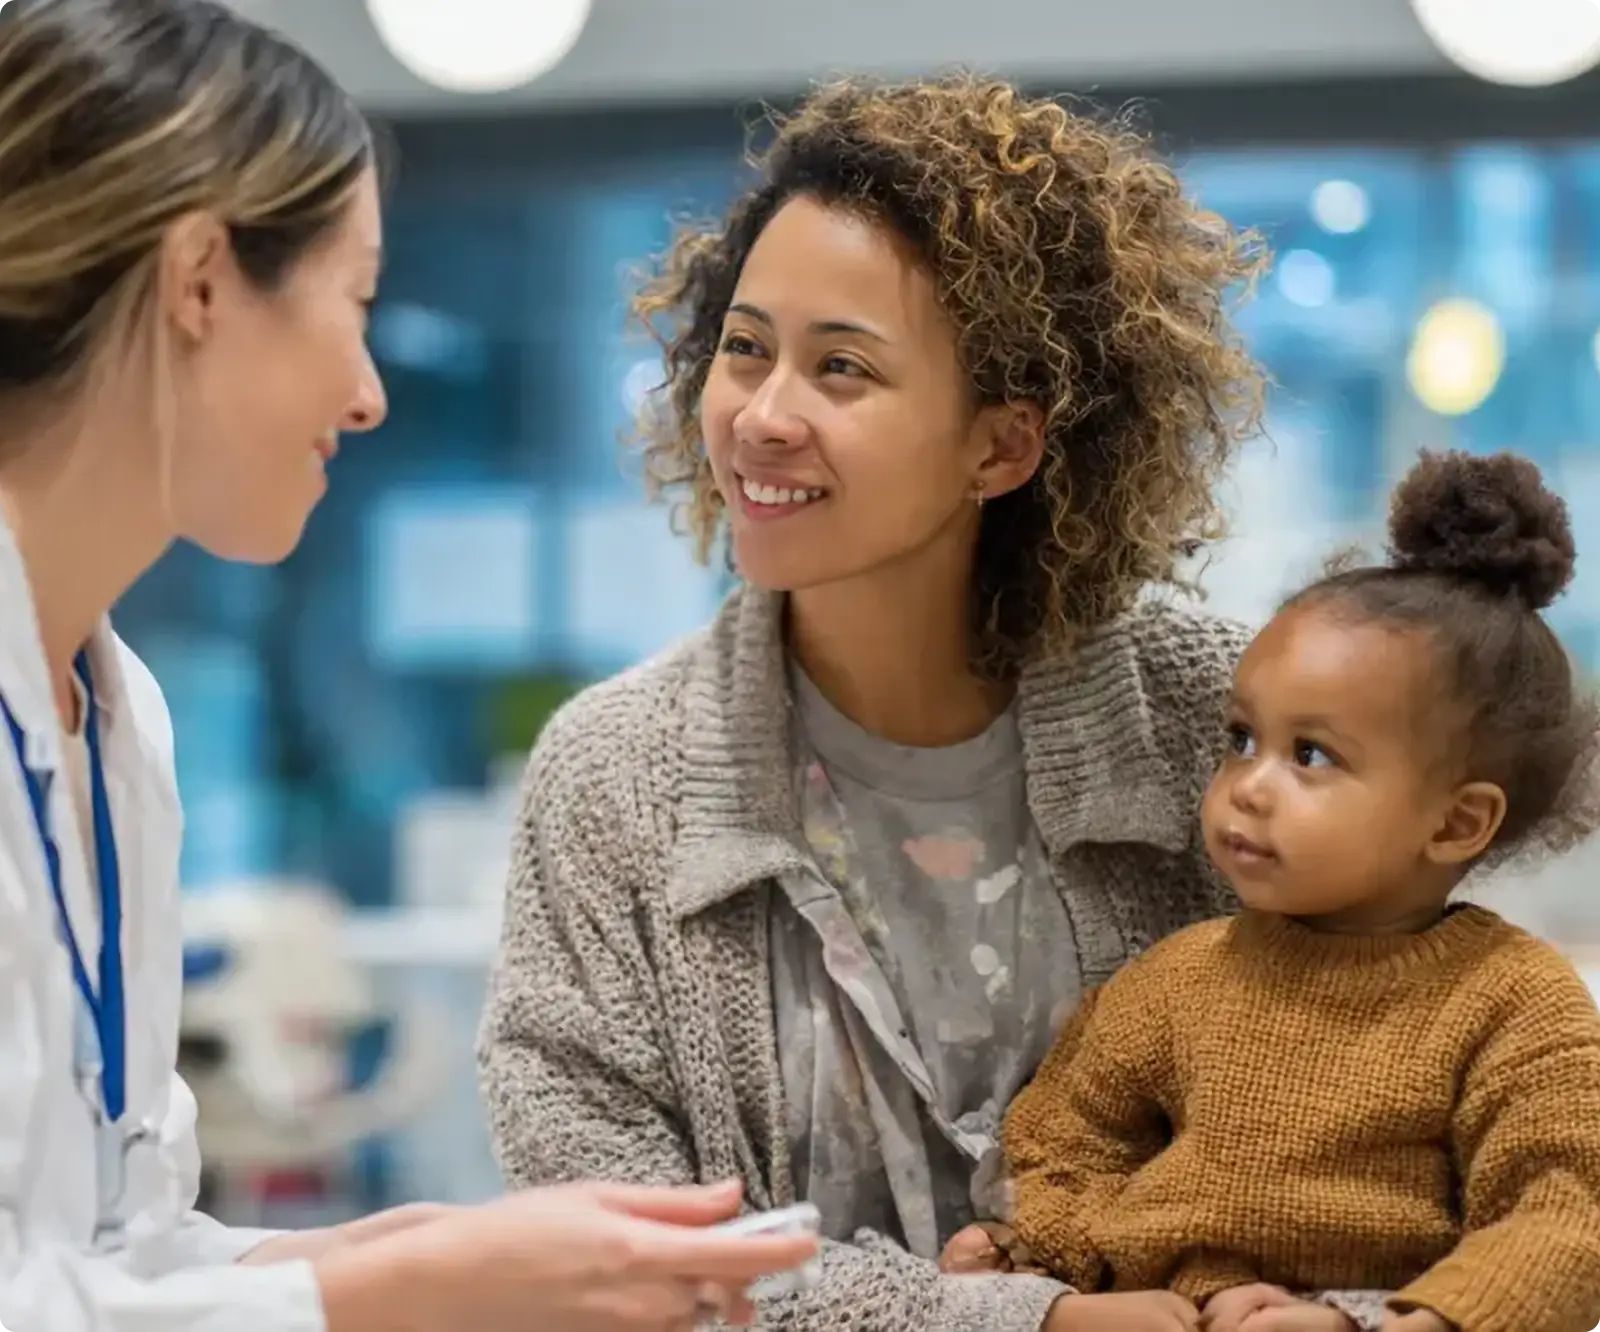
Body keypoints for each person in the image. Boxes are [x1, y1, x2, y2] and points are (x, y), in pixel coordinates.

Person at [477, 74, 1593, 1332]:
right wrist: (1029, 1322)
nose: (761, 416)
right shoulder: (614, 777)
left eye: (840, 366)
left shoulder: (1221, 729)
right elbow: (607, 1240)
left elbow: (1425, 1167)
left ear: (1001, 446)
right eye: (744, 348)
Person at [0, 3, 817, 1331]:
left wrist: (453, 1248)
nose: (371, 392)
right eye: (355, 303)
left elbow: (112, 1249)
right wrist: (410, 1284)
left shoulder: (117, 713)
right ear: (200, 281)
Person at [939, 450, 1600, 1332]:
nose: (1248, 783)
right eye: (1243, 738)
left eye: (1312, 755)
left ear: (1454, 825)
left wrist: (1385, 1323)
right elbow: (1067, 1137)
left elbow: (1566, 1212)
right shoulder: (1178, 979)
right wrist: (1043, 1250)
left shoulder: (1516, 1006)